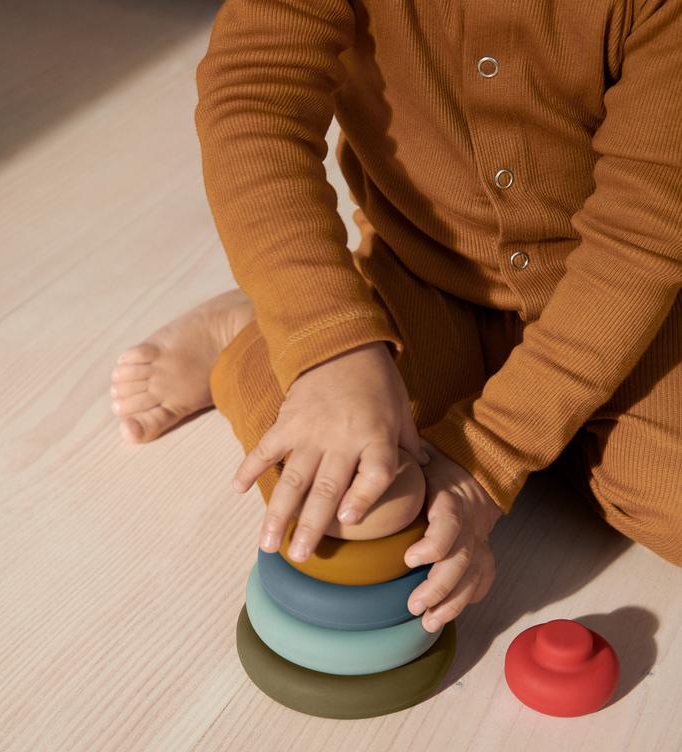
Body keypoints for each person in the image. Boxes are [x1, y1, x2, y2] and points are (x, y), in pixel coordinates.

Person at [110, 0, 682, 633]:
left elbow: (642, 239)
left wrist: (491, 456)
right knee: (361, 507)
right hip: (421, 272)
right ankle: (265, 323)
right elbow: (254, 100)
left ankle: (540, 413)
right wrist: (331, 352)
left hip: (637, 304)